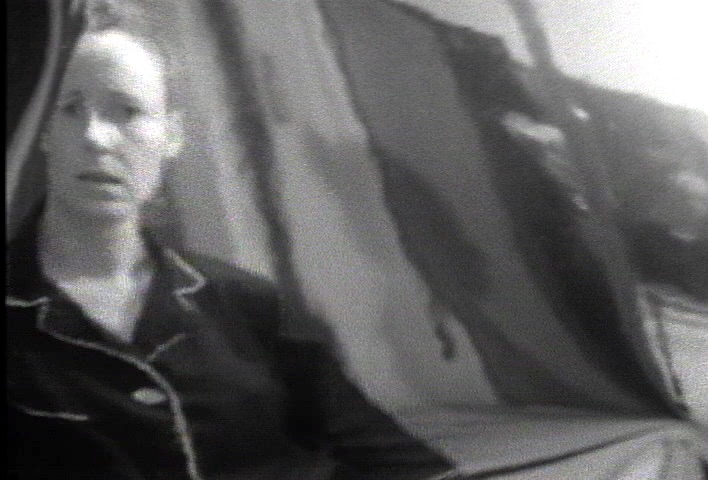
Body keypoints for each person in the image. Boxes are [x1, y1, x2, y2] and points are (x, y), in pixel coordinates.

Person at [5, 9, 460, 480]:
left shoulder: (244, 302)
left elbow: (388, 457)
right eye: (70, 108)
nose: (96, 138)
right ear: (42, 133)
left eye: (128, 110)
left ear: (172, 136)